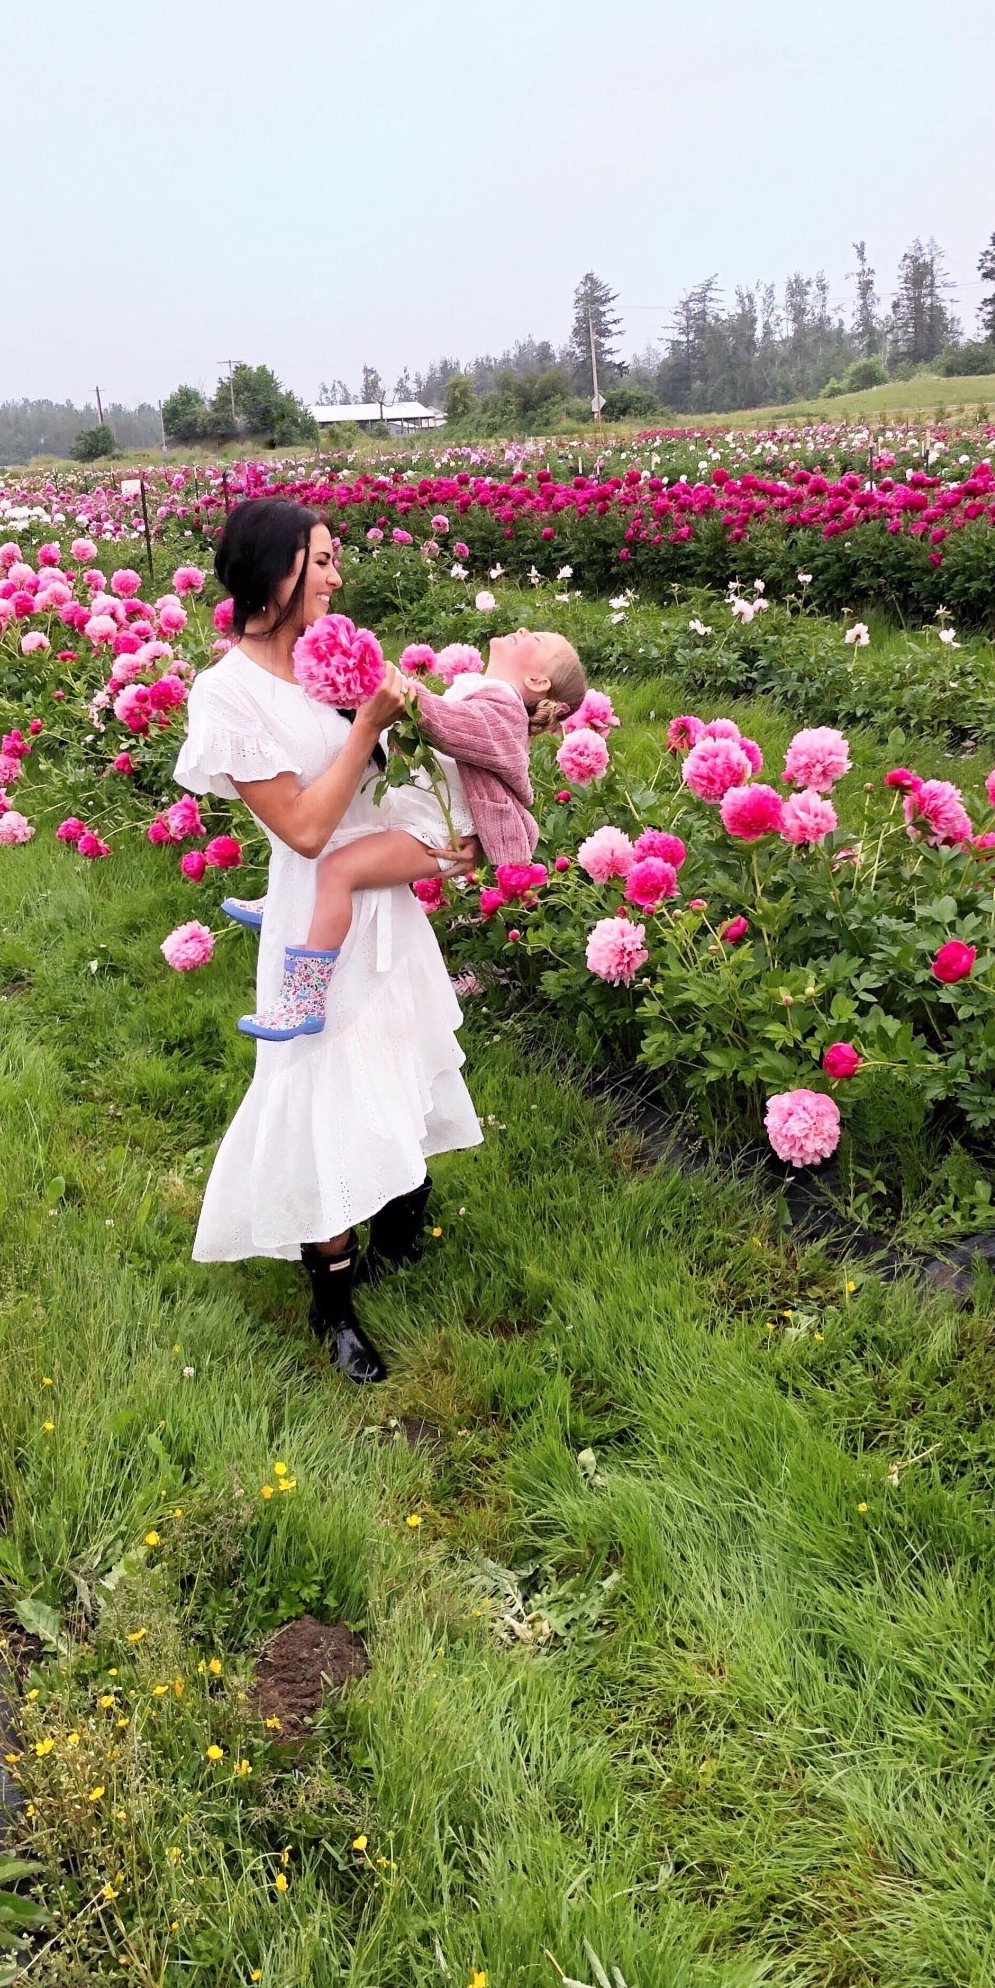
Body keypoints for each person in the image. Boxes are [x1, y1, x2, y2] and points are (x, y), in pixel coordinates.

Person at [172, 498, 482, 1383]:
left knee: (396, 1056)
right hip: (318, 911)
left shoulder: (326, 657)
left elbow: (382, 788)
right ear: (276, 573)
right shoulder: (228, 693)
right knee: (317, 1097)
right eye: (323, 559)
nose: (338, 577)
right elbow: (307, 829)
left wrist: (448, 828)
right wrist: (366, 727)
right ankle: (333, 1304)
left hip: (384, 898)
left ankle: (397, 1223)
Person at [226, 627, 587, 1041]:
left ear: (538, 682)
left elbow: (458, 728)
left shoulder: (503, 708)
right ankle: (283, 905)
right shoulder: (482, 690)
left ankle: (305, 999)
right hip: (419, 819)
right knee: (339, 829)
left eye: (536, 640)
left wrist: (406, 696)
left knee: (338, 871)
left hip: (435, 835)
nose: (523, 630)